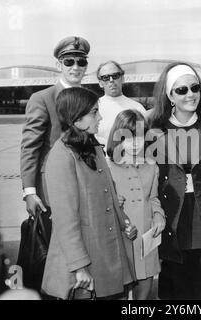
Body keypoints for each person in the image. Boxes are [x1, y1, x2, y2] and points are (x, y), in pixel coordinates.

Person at [42, 87, 137, 299]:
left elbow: (109, 193)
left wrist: (125, 223)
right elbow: (65, 219)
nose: (100, 117)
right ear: (77, 120)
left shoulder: (93, 147)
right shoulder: (61, 155)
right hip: (83, 260)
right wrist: (79, 266)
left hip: (106, 251)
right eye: (94, 112)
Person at [149, 62, 201, 300]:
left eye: (194, 88)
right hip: (172, 215)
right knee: (176, 287)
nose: (190, 94)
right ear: (170, 95)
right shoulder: (155, 129)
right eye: (181, 90)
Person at [20, 36, 90, 218]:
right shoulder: (42, 98)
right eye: (69, 62)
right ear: (59, 65)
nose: (75, 67)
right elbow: (30, 148)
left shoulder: (91, 99)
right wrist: (29, 192)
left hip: (86, 185)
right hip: (53, 188)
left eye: (81, 62)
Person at [107, 109, 165, 300]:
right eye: (128, 137)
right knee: (119, 293)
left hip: (145, 239)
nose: (134, 144)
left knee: (144, 293)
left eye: (139, 137)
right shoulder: (109, 167)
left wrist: (159, 216)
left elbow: (154, 198)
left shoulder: (151, 166)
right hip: (121, 239)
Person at [96, 60, 147, 149]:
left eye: (115, 76)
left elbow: (144, 139)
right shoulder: (93, 108)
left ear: (122, 78)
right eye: (105, 77)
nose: (111, 80)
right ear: (100, 83)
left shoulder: (137, 108)